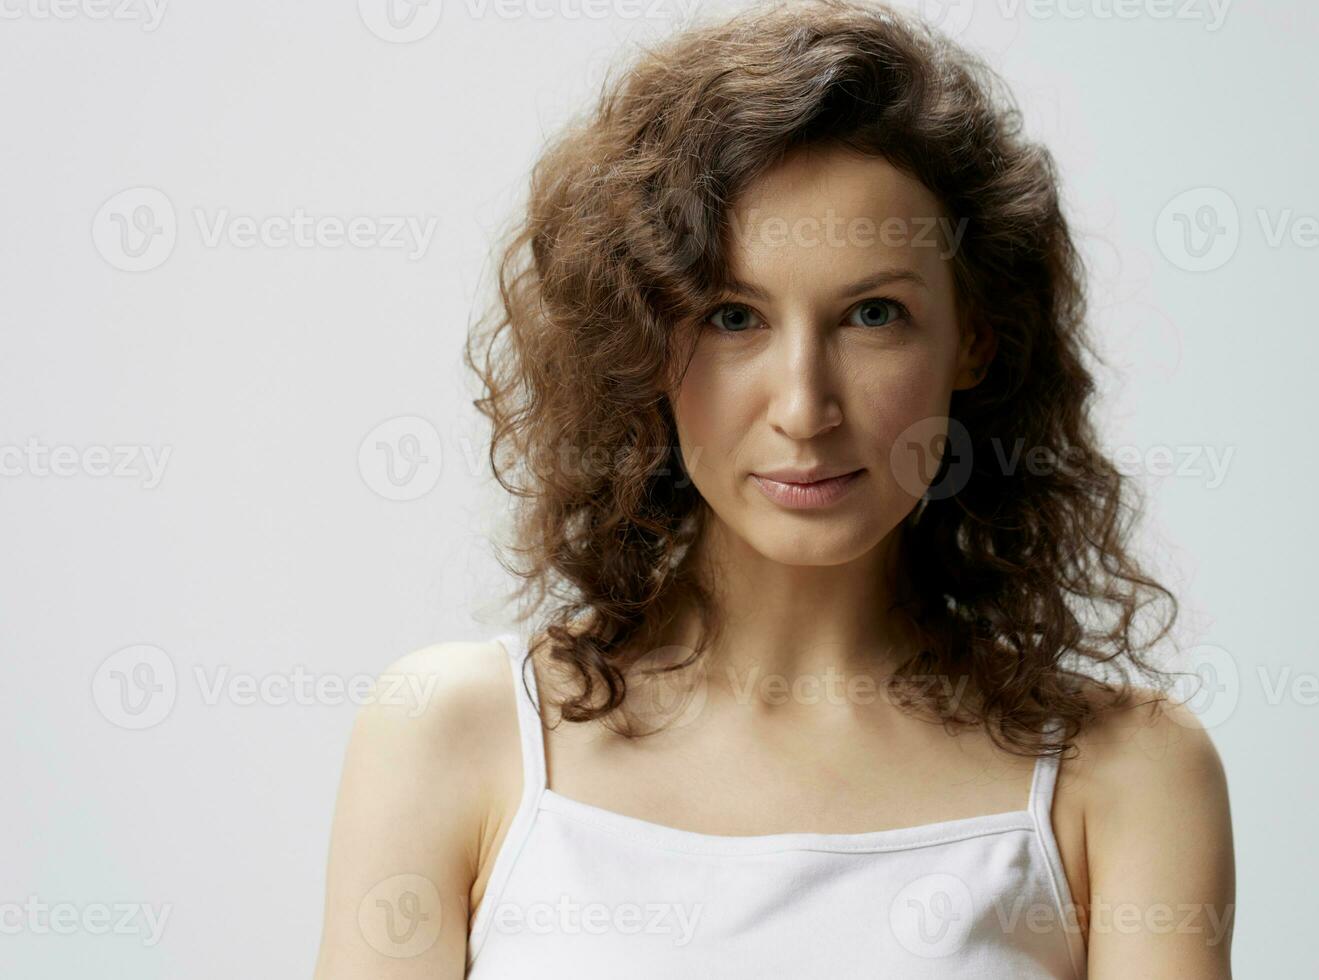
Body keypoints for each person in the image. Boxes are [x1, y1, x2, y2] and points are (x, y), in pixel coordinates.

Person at [313, 1, 1234, 976]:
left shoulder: (1125, 773)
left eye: (873, 313)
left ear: (974, 337)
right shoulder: (457, 734)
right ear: (639, 342)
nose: (804, 406)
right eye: (732, 316)